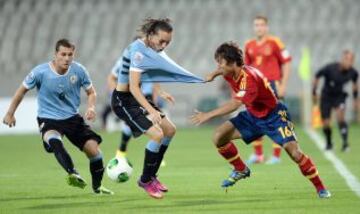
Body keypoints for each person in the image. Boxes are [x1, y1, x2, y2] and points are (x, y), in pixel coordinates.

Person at [193, 42, 331, 198]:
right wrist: (213, 74)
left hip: (274, 116)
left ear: (232, 63)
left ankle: (321, 188)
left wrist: (208, 115)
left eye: (221, 62)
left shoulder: (249, 79)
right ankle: (240, 169)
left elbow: (235, 104)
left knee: (295, 153)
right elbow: (222, 71)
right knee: (218, 137)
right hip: (253, 115)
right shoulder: (230, 72)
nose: (219, 65)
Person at [2, 39, 113, 195]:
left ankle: (97, 187)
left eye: (70, 54)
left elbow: (91, 92)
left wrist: (91, 107)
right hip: (49, 119)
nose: (67, 58)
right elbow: (21, 90)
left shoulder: (79, 70)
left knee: (94, 151)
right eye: (63, 54)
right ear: (55, 55)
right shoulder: (40, 72)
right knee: (54, 140)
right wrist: (10, 113)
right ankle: (72, 172)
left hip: (72, 118)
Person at [111, 18, 178, 199]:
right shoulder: (138, 51)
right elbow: (132, 87)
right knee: (157, 135)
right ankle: (145, 180)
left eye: (167, 42)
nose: (164, 45)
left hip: (137, 98)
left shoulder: (149, 50)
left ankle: (152, 176)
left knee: (170, 130)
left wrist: (161, 92)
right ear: (150, 35)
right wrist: (153, 110)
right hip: (124, 101)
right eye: (161, 41)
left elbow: (148, 77)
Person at [244, 15, 292, 165]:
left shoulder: (275, 42)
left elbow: (287, 62)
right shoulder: (249, 44)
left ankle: (276, 155)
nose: (259, 27)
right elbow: (245, 68)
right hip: (255, 87)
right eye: (256, 25)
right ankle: (258, 155)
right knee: (255, 118)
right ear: (254, 27)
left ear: (267, 27)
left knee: (276, 119)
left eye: (262, 25)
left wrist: (283, 84)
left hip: (272, 84)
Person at [312, 50, 359, 151]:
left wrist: (355, 99)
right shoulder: (330, 68)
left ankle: (345, 143)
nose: (349, 62)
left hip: (339, 97)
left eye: (351, 60)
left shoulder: (353, 72)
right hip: (326, 97)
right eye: (347, 59)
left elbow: (355, 85)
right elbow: (317, 75)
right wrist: (314, 92)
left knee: (340, 117)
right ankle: (329, 143)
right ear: (342, 59)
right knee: (326, 123)